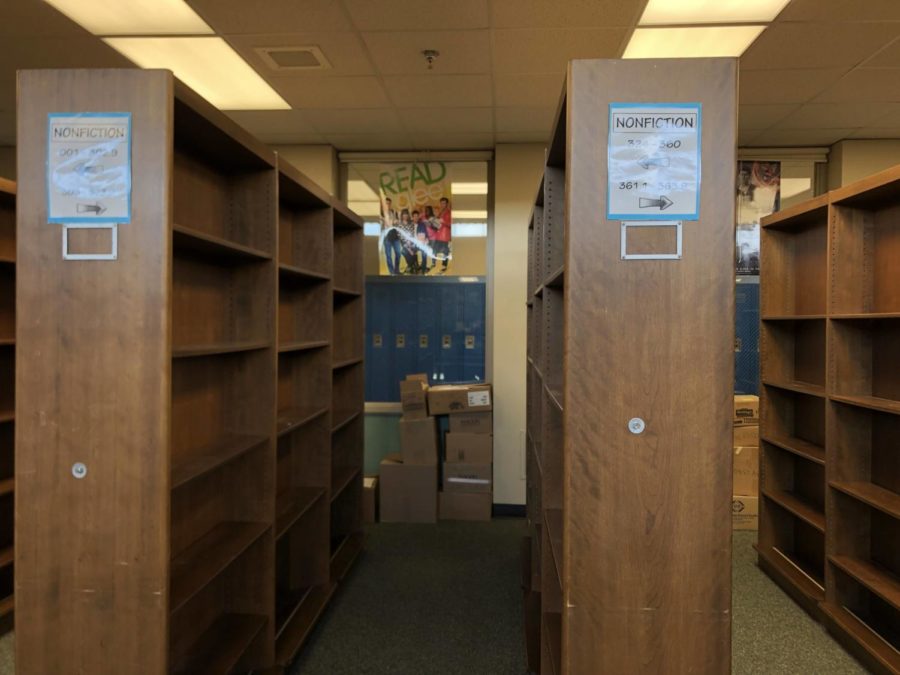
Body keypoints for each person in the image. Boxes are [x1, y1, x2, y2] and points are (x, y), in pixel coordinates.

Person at [430, 197, 452, 274]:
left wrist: (444, 221)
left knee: (445, 251)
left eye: (444, 203)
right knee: (435, 250)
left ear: (447, 204)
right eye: (441, 203)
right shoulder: (440, 212)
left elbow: (451, 224)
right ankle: (434, 264)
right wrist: (433, 221)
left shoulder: (449, 212)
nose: (442, 205)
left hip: (445, 235)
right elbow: (437, 223)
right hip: (438, 235)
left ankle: (444, 266)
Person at [381, 197, 401, 275]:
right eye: (386, 203)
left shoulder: (393, 212)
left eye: (389, 203)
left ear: (390, 204)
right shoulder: (381, 214)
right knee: (388, 255)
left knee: (398, 253)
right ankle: (392, 272)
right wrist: (383, 220)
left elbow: (397, 222)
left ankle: (396, 270)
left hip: (395, 235)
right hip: (386, 237)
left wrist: (397, 220)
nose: (387, 205)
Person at [396, 208, 418, 273]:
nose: (405, 216)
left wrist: (410, 243)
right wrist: (408, 247)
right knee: (404, 251)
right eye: (404, 215)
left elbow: (412, 234)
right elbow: (400, 236)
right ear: (402, 215)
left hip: (411, 242)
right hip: (404, 243)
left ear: (408, 215)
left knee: (412, 251)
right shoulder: (399, 224)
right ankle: (412, 265)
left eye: (406, 215)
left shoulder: (411, 223)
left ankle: (411, 266)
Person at [414, 209, 431, 274]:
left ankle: (423, 269)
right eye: (414, 216)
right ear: (412, 217)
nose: (415, 217)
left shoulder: (422, 224)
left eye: (417, 216)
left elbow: (425, 233)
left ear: (418, 217)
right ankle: (416, 268)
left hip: (421, 242)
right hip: (413, 243)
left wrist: (426, 239)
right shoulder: (410, 224)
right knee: (412, 253)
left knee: (424, 253)